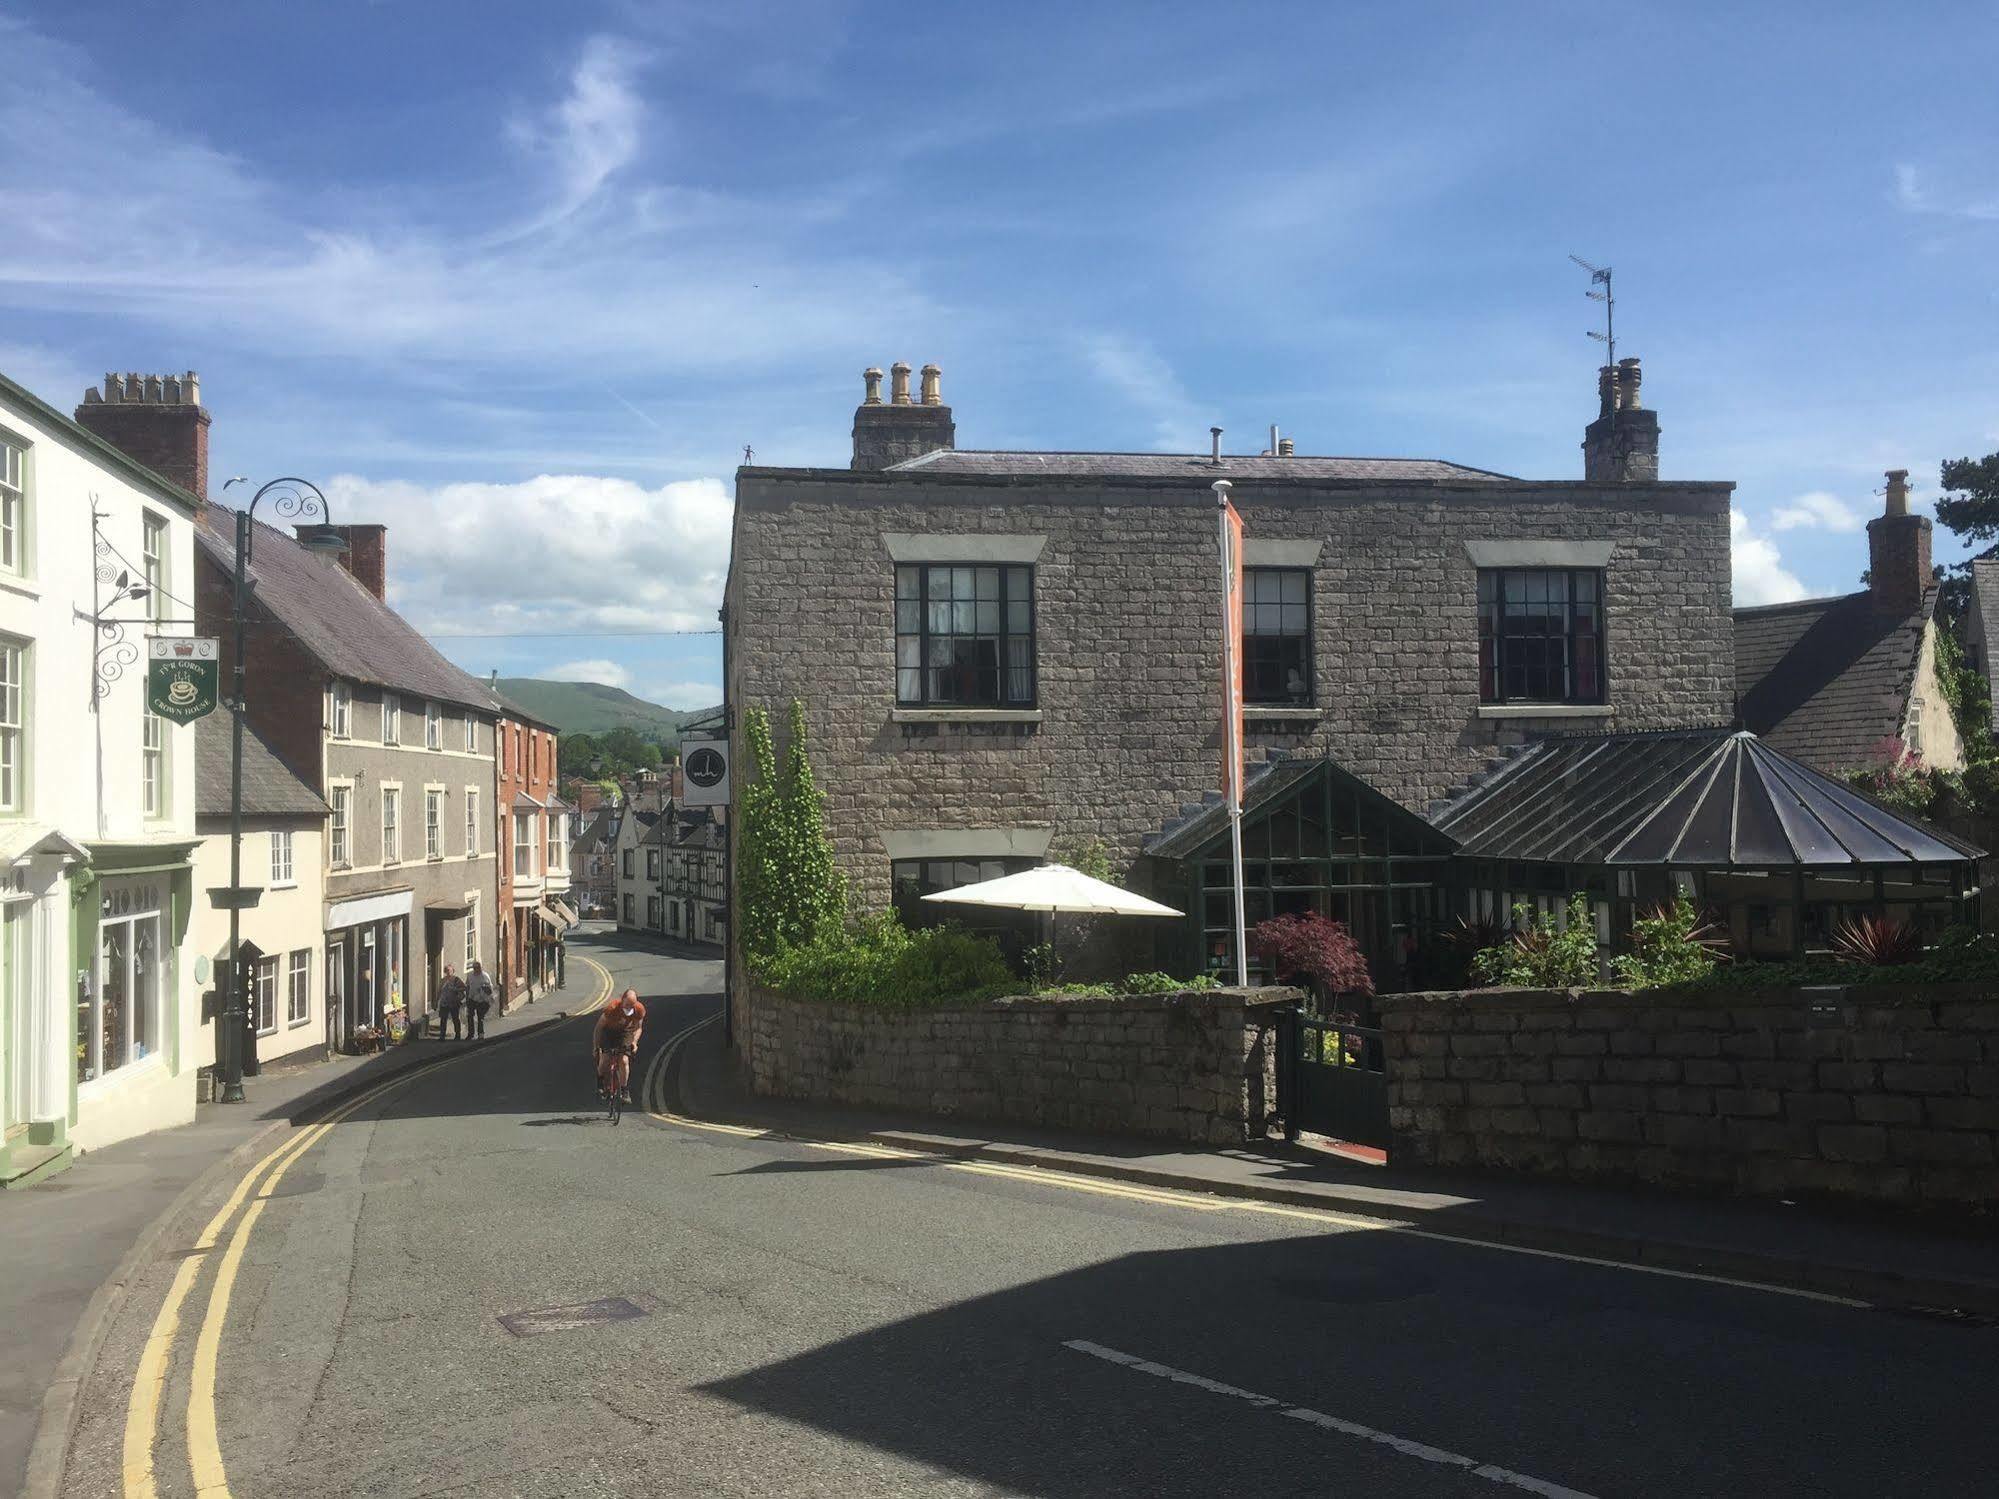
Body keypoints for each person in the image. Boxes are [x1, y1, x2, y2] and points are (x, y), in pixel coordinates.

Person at [592, 989, 646, 1103]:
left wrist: (634, 1042)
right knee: (605, 1058)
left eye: (632, 1005)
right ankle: (600, 1082)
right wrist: (596, 1047)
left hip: (625, 1032)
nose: (629, 1008)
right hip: (608, 1032)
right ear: (622, 1001)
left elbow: (638, 1028)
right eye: (627, 1005)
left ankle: (624, 1091)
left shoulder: (639, 1010)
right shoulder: (612, 1009)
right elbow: (598, 1028)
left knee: (624, 1060)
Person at [465, 960, 496, 1039]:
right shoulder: (470, 975)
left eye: (478, 968)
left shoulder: (485, 976)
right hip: (472, 998)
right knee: (470, 1016)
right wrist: (467, 998)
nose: (477, 969)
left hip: (482, 1000)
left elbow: (490, 989)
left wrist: (485, 989)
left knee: (480, 1017)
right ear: (473, 968)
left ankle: (480, 1034)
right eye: (475, 968)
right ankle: (470, 1034)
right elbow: (467, 986)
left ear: (480, 968)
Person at [436, 964, 466, 1041]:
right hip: (444, 1003)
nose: (448, 972)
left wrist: (456, 989)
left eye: (449, 970)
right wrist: (437, 1001)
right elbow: (439, 991)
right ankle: (442, 1036)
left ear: (453, 971)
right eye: (446, 970)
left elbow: (464, 987)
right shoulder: (443, 980)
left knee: (455, 1019)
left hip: (454, 1002)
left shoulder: (456, 979)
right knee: (443, 1019)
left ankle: (457, 1035)